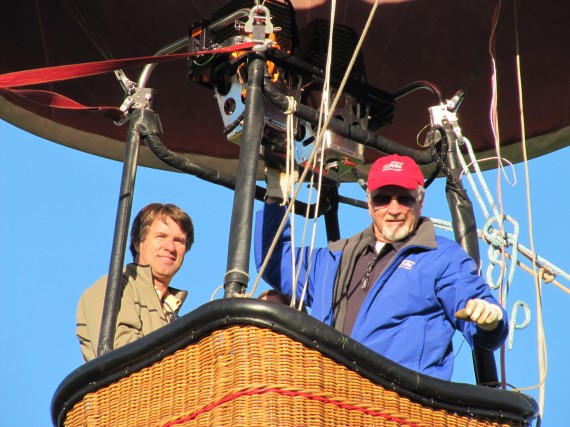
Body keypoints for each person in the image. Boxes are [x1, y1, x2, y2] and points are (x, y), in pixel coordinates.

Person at [254, 154, 508, 381]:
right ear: (369, 202)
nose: (394, 209)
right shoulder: (334, 258)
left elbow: (478, 320)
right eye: (383, 199)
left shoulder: (441, 258)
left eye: (405, 199)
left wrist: (489, 320)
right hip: (332, 401)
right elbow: (274, 262)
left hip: (399, 405)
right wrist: (276, 195)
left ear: (420, 201)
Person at [76, 203, 194, 362]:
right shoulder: (113, 288)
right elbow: (121, 352)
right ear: (138, 242)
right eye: (161, 236)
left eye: (179, 241)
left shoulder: (172, 312)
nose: (170, 247)